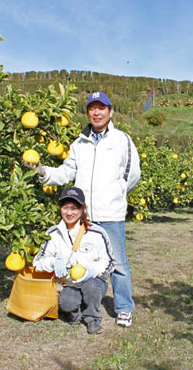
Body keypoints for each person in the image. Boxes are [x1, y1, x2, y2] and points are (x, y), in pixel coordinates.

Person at [29, 91, 141, 327]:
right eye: (92, 108)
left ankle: (123, 308)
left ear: (110, 112)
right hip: (83, 216)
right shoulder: (79, 144)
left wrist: (117, 194)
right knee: (79, 260)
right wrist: (42, 171)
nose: (97, 112)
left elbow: (132, 175)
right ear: (88, 113)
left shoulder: (122, 140)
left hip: (110, 214)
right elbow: (65, 173)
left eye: (102, 108)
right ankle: (81, 303)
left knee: (117, 263)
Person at [33, 186, 115, 334]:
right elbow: (37, 261)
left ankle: (92, 319)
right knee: (67, 303)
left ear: (82, 209)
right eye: (65, 208)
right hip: (68, 283)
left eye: (74, 208)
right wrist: (53, 262)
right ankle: (75, 315)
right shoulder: (53, 233)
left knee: (91, 287)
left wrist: (92, 271)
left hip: (93, 281)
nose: (69, 212)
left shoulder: (96, 233)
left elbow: (109, 261)